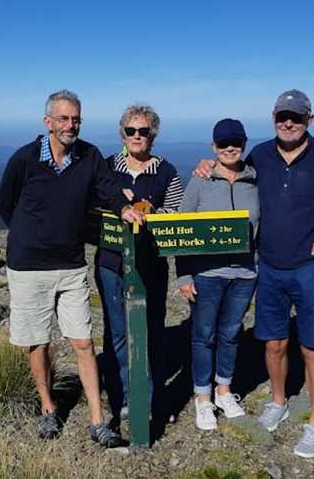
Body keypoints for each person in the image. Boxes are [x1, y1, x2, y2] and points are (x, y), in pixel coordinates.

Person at [194, 90, 314, 457]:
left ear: (309, 119)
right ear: (273, 118)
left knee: (312, 347)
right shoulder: (260, 155)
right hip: (270, 267)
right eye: (282, 116)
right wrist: (206, 166)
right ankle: (278, 402)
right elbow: (233, 170)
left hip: (311, 268)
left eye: (295, 116)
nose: (288, 122)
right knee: (274, 343)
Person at [0, 89, 145, 448]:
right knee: (39, 341)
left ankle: (97, 421)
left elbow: (107, 187)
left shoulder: (89, 155)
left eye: (75, 118)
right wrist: (31, 234)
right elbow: (5, 204)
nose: (71, 125)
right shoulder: (25, 159)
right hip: (29, 266)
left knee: (82, 341)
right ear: (48, 122)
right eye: (63, 118)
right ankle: (48, 408)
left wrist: (123, 208)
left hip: (71, 264)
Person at [94, 104, 183, 420]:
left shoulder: (167, 172)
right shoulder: (105, 167)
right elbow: (93, 206)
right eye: (130, 130)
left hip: (151, 264)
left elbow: (176, 214)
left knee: (152, 332)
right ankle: (123, 399)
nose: (136, 136)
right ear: (122, 133)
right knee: (117, 333)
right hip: (110, 262)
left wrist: (146, 211)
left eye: (143, 131)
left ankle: (153, 400)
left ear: (152, 135)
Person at [177, 119, 260, 431]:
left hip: (245, 274)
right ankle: (202, 397)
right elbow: (183, 230)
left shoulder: (255, 179)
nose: (229, 148)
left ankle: (224, 391)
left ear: (243, 144)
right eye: (223, 143)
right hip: (207, 274)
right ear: (213, 146)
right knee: (204, 335)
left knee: (231, 332)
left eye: (235, 143)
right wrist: (184, 276)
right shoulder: (200, 179)